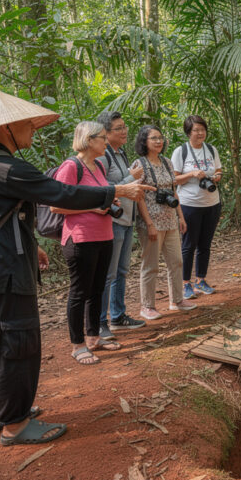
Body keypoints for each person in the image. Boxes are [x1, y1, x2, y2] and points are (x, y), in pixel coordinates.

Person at [0, 90, 154, 446]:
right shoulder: (6, 167)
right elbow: (61, 194)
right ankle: (14, 424)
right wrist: (117, 191)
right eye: (26, 124)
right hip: (5, 270)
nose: (33, 129)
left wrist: (33, 247)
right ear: (5, 128)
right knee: (17, 339)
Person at [50, 121, 122, 365]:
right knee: (80, 292)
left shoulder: (99, 166)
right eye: (103, 137)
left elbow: (102, 194)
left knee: (97, 289)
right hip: (80, 238)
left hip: (104, 236)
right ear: (89, 140)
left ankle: (93, 337)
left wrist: (111, 204)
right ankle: (77, 344)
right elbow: (56, 204)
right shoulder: (71, 166)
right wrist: (94, 207)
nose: (106, 141)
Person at [130, 125, 196, 320]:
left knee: (176, 261)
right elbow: (139, 195)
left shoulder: (167, 162)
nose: (159, 141)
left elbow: (174, 191)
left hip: (170, 221)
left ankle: (177, 300)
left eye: (160, 138)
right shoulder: (139, 164)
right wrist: (149, 223)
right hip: (151, 223)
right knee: (151, 265)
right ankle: (147, 306)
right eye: (153, 138)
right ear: (144, 141)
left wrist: (181, 217)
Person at [94, 111, 145, 341]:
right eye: (118, 128)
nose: (124, 131)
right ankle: (100, 322)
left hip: (126, 219)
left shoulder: (121, 153)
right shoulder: (102, 156)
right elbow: (103, 188)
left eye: (125, 127)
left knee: (122, 271)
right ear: (105, 132)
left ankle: (118, 315)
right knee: (108, 274)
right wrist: (130, 178)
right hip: (112, 221)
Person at [171, 115, 223, 301]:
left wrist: (217, 176)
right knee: (188, 245)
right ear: (188, 132)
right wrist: (192, 173)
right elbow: (174, 179)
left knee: (205, 244)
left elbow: (218, 170)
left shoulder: (211, 149)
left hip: (211, 203)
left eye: (203, 129)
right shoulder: (181, 152)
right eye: (196, 130)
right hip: (189, 204)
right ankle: (185, 283)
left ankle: (201, 279)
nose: (200, 133)